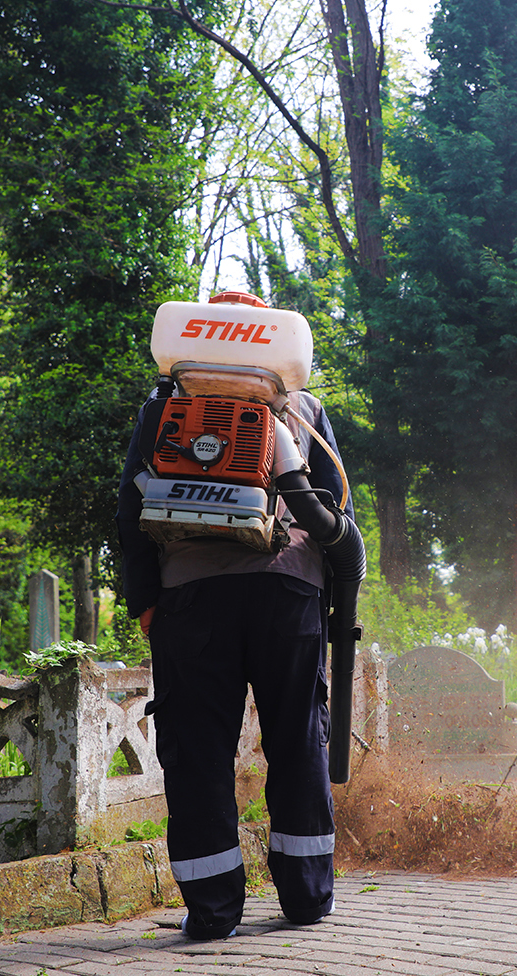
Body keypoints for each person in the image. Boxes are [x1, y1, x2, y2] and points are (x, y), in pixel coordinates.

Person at [115, 371, 358, 940]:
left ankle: (214, 911)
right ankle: (306, 898)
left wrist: (146, 600)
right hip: (289, 594)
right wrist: (328, 598)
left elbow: (131, 509)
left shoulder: (164, 409)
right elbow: (339, 507)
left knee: (198, 748)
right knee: (298, 737)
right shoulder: (302, 409)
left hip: (192, 599)